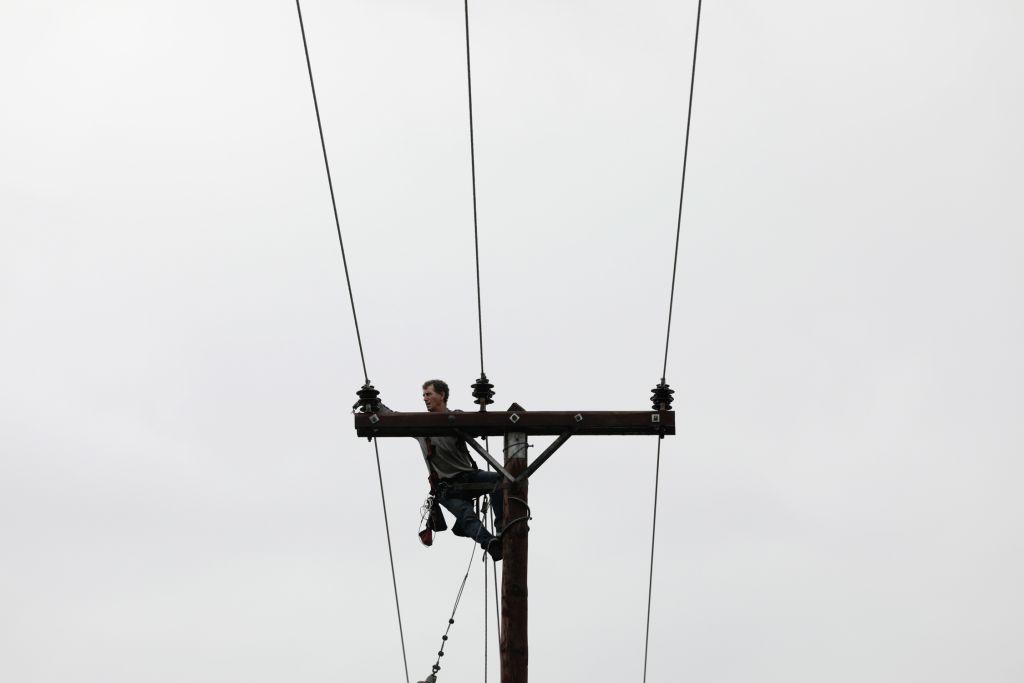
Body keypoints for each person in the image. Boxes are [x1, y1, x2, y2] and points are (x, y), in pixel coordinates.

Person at [416, 379, 504, 562]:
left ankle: (503, 528)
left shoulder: (456, 418)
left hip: (468, 478)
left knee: (501, 480)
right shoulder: (419, 425)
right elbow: (391, 415)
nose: (425, 398)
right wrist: (376, 406)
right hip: (447, 488)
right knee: (467, 516)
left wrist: (479, 420)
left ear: (442, 395)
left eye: (429, 394)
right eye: (424, 395)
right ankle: (490, 544)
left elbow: (479, 425)